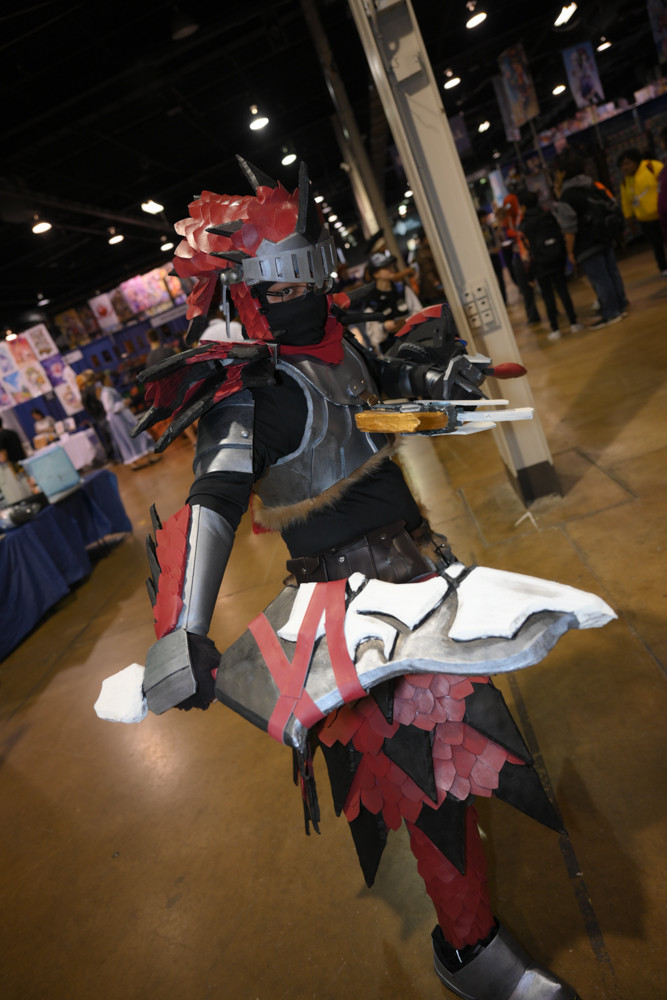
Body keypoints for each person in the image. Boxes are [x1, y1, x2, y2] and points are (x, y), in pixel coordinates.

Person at [100, 157, 616, 1000]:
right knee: (425, 782)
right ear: (243, 293)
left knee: (455, 759)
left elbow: (375, 395)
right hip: (350, 614)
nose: (306, 294)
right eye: (284, 284)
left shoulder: (333, 348)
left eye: (312, 276)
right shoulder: (250, 395)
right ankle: (471, 953)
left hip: (418, 571)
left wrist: (433, 377)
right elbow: (213, 501)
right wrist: (179, 631)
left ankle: (472, 942)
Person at [554, 149, 628, 330]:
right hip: (604, 236)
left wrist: (570, 253)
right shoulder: (592, 185)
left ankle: (611, 313)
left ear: (563, 173)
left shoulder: (567, 196)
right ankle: (620, 305)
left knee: (600, 279)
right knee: (611, 272)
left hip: (586, 244)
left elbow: (569, 229)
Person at [518, 190, 581, 341]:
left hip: (540, 264)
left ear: (523, 206)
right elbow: (559, 233)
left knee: (547, 296)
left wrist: (529, 274)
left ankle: (555, 329)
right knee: (563, 290)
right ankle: (574, 322)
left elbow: (526, 249)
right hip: (556, 258)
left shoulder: (525, 224)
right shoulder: (548, 215)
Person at [617, 147, 667, 275]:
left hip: (663, 214)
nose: (625, 168)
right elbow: (626, 202)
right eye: (622, 165)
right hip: (646, 220)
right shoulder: (625, 182)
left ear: (636, 161)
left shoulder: (652, 166)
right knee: (656, 244)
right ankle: (663, 268)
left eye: (627, 163)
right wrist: (629, 220)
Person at [98, 373, 161, 470]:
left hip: (121, 419)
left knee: (134, 437)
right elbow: (110, 408)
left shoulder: (107, 390)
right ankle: (137, 461)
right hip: (119, 421)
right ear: (105, 380)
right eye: (108, 378)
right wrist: (123, 403)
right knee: (130, 439)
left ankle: (144, 457)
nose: (110, 380)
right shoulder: (106, 392)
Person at [499, 194, 543, 325]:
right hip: (518, 257)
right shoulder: (507, 220)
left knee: (542, 284)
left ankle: (552, 311)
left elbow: (524, 232)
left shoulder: (522, 216)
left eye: (509, 205)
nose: (508, 208)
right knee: (525, 288)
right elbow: (505, 234)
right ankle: (532, 315)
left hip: (531, 255)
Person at [477, 209, 507, 304]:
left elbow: (496, 239)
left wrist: (497, 247)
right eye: (483, 217)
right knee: (492, 280)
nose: (485, 219)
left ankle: (504, 300)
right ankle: (496, 300)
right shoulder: (477, 230)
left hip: (495, 256)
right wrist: (490, 251)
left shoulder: (489, 227)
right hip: (487, 258)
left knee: (501, 278)